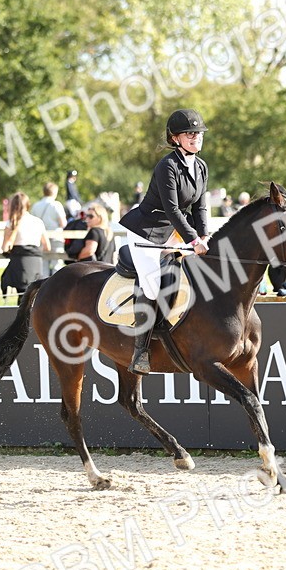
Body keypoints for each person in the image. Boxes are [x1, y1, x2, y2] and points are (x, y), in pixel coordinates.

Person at [119, 108, 211, 374]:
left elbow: (200, 209)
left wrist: (204, 235)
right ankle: (141, 351)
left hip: (175, 233)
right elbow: (172, 210)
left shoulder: (201, 166)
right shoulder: (166, 166)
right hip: (146, 233)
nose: (196, 137)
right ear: (175, 138)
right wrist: (194, 240)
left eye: (199, 133)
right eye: (190, 134)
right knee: (152, 284)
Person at [0, 191, 48, 298]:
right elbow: (47, 246)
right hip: (36, 262)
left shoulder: (11, 223)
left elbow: (5, 247)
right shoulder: (38, 221)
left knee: (22, 297)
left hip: (20, 261)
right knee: (35, 296)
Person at [31, 181, 67, 275]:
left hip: (41, 238)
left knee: (43, 265)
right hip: (56, 237)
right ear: (55, 192)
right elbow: (63, 223)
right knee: (57, 264)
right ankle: (57, 286)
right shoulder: (56, 205)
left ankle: (43, 287)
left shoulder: (36, 205)